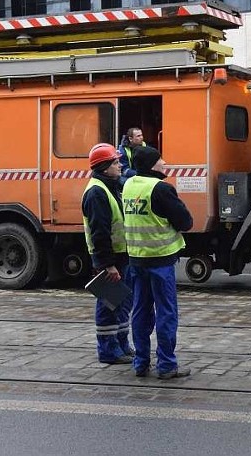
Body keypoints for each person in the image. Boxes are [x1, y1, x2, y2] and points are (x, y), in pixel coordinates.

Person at [122, 145, 193, 379]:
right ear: (153, 165)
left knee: (140, 312)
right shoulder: (161, 188)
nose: (165, 163)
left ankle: (140, 363)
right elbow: (185, 222)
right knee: (166, 313)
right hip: (160, 260)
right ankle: (166, 365)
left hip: (136, 259)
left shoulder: (129, 185)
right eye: (161, 159)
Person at [81, 143, 134, 365]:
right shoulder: (96, 192)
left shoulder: (110, 186)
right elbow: (99, 232)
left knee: (121, 303)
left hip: (120, 256)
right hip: (110, 259)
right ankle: (108, 350)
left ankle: (121, 344)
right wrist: (107, 264)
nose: (120, 165)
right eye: (115, 162)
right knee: (108, 304)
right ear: (104, 167)